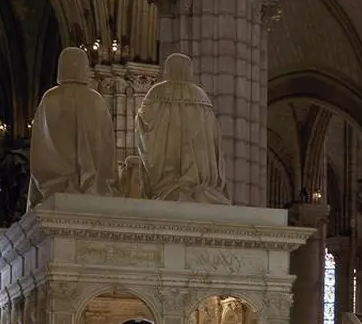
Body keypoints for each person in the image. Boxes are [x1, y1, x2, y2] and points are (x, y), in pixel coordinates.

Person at [27, 47, 118, 208]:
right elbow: (107, 144)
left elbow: (40, 146)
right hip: (94, 190)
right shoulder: (96, 100)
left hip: (54, 188)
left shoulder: (50, 98)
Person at [134, 54, 230, 204]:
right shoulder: (201, 96)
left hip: (165, 185)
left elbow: (143, 125)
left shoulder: (156, 92)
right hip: (200, 185)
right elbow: (214, 137)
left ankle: (171, 184)